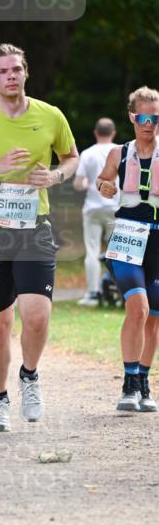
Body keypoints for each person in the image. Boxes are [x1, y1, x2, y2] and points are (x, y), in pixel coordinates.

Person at [0, 42, 78, 432]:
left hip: (34, 228)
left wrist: (54, 176)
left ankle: (30, 375)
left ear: (26, 73)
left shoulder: (50, 115)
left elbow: (71, 158)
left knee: (36, 315)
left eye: (17, 69)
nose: (11, 76)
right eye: (3, 71)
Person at [97, 85, 159, 413]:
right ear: (133, 117)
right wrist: (105, 186)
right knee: (138, 308)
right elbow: (103, 180)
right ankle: (129, 382)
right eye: (144, 118)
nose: (149, 124)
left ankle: (144, 382)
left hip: (157, 242)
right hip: (128, 239)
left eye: (155, 118)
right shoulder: (118, 153)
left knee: (154, 319)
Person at [73, 118, 119, 305]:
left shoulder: (87, 153)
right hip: (115, 207)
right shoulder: (121, 150)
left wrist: (85, 183)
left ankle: (92, 293)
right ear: (113, 133)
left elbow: (78, 183)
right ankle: (118, 292)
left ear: (96, 133)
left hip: (93, 208)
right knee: (117, 252)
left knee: (92, 251)